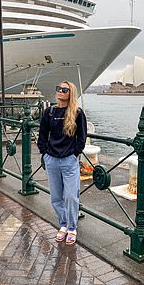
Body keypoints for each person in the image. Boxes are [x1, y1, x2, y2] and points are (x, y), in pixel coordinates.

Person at [37, 81, 87, 245]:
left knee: (71, 197)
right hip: (52, 159)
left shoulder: (77, 113)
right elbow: (42, 135)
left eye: (64, 89)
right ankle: (63, 224)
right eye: (58, 88)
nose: (60, 91)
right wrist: (45, 153)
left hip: (69, 160)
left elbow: (82, 137)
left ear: (70, 93)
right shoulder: (49, 112)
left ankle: (72, 228)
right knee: (56, 197)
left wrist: (74, 154)